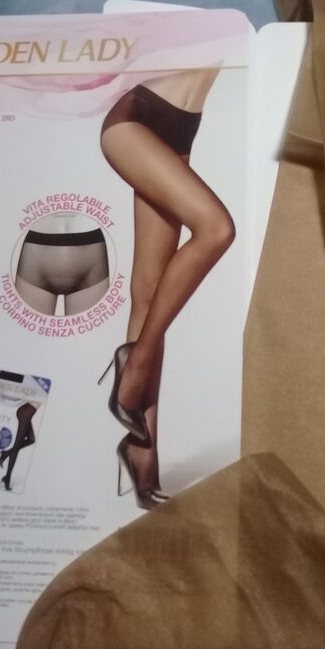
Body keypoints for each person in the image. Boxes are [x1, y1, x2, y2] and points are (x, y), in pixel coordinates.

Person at [99, 67, 234, 508]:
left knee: (149, 292)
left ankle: (143, 454)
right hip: (136, 120)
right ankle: (133, 365)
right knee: (216, 229)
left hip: (181, 131)